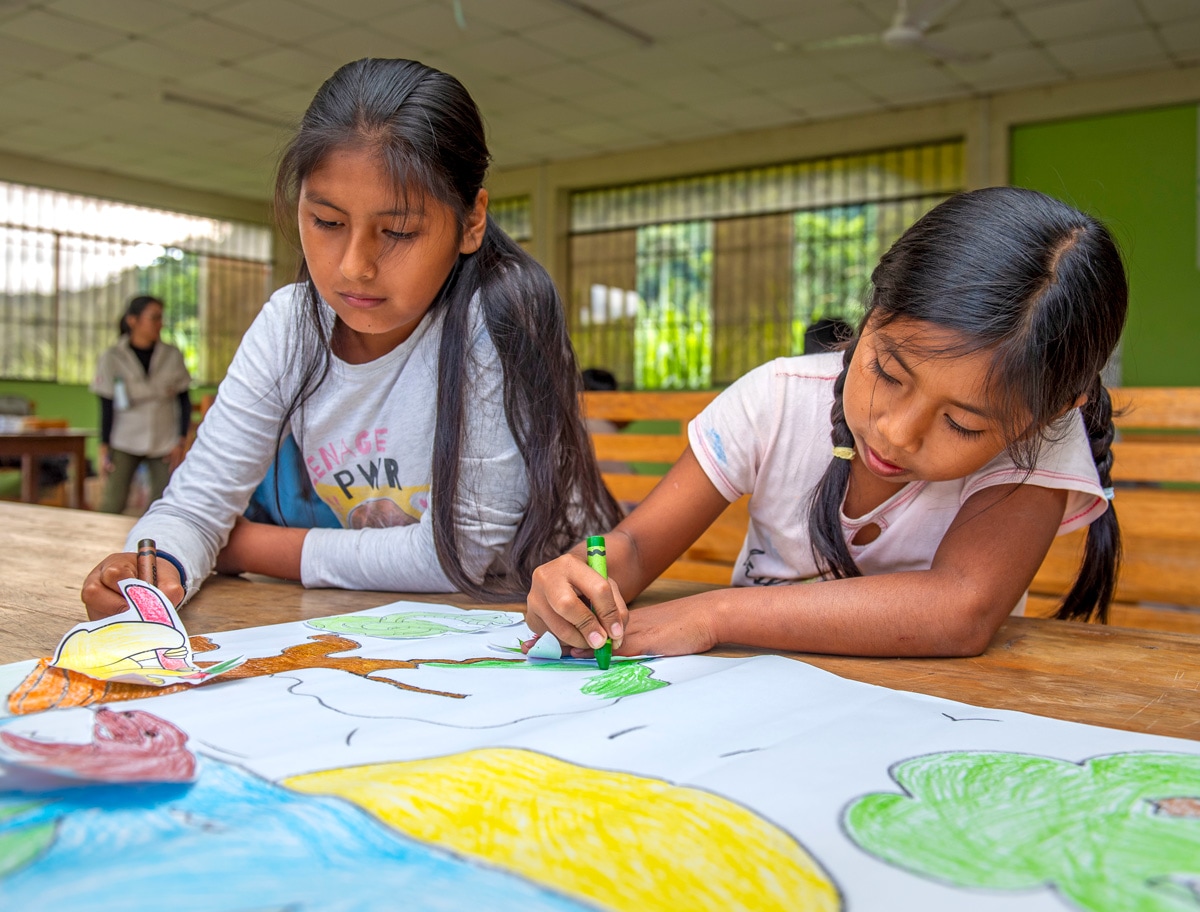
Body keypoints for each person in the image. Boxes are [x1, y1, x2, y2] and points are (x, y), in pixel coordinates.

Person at [81, 58, 619, 619]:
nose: (355, 267)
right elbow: (196, 504)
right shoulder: (291, 326)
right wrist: (160, 563)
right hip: (391, 616)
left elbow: (457, 555)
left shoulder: (498, 319)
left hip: (545, 623)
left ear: (471, 221)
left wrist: (243, 544)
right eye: (328, 223)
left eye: (399, 231)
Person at [526, 187, 1127, 659]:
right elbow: (632, 544)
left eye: (963, 424)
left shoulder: (1040, 441)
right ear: (871, 316)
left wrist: (714, 614)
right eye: (888, 373)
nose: (896, 431)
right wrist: (582, 574)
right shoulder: (780, 398)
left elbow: (959, 608)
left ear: (1051, 410)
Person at [89, 295, 191, 515]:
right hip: (125, 438)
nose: (159, 323)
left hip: (164, 439)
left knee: (164, 502)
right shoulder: (112, 357)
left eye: (160, 318)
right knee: (112, 502)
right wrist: (104, 446)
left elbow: (184, 400)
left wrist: (181, 440)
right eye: (154, 318)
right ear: (133, 320)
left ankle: (154, 547)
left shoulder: (171, 355)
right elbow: (106, 404)